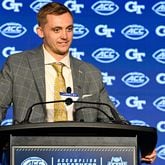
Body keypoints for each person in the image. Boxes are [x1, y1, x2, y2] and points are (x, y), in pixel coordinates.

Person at [0, 2, 156, 164]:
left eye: (69, 29)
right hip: (31, 154)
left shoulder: (90, 73)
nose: (65, 36)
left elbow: (112, 118)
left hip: (81, 155)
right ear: (41, 32)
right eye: (56, 30)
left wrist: (141, 144)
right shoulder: (18, 64)